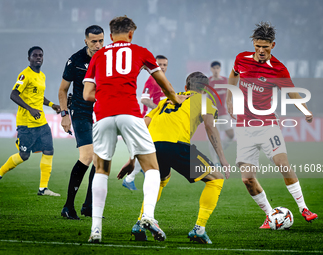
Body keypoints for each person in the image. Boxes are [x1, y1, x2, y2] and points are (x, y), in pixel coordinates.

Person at [83, 16, 185, 243]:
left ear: (110, 36)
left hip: (103, 115)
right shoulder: (140, 51)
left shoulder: (99, 55)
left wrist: (107, 93)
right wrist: (175, 99)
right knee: (152, 167)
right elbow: (163, 83)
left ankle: (96, 230)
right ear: (131, 34)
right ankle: (148, 215)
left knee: (101, 170)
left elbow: (86, 94)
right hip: (130, 113)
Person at [118, 72, 230, 244]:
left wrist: (132, 157)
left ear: (185, 88)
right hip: (176, 145)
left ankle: (140, 224)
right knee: (216, 179)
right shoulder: (204, 100)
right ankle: (199, 229)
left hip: (151, 146)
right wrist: (222, 158)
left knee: (161, 179)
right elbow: (210, 126)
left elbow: (143, 125)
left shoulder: (164, 100)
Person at [226, 22, 318, 229]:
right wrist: (229, 98)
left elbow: (292, 92)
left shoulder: (278, 69)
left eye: (265, 47)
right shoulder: (241, 58)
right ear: (253, 44)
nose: (260, 50)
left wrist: (305, 110)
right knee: (247, 179)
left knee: (282, 164)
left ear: (273, 45)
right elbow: (233, 74)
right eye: (257, 46)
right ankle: (271, 215)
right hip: (244, 127)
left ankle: (304, 208)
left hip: (267, 124)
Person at [0, 46, 61, 196]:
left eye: (40, 55)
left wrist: (52, 105)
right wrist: (30, 109)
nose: (38, 57)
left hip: (41, 122)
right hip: (26, 123)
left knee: (49, 150)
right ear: (29, 58)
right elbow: (13, 94)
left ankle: (43, 188)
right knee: (24, 156)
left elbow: (39, 98)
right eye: (35, 55)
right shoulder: (24, 75)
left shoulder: (42, 76)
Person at [58, 25, 104, 220]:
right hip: (81, 112)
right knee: (87, 156)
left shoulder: (107, 58)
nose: (98, 45)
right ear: (85, 40)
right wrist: (64, 114)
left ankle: (89, 206)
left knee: (99, 158)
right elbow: (63, 90)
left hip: (101, 112)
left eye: (101, 40)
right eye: (94, 41)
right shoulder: (75, 60)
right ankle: (68, 207)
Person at [122, 55, 168, 191]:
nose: (163, 67)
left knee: (150, 150)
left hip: (157, 121)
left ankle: (141, 171)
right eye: (160, 65)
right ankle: (130, 178)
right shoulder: (152, 80)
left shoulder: (162, 80)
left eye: (165, 65)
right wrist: (159, 109)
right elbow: (144, 100)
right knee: (148, 150)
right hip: (149, 120)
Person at [208, 61, 234, 166]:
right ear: (211, 69)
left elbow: (230, 95)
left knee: (231, 134)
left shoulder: (225, 81)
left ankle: (220, 151)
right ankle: (215, 162)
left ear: (220, 69)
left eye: (217, 68)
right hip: (212, 113)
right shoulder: (208, 82)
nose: (215, 70)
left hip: (223, 112)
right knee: (214, 137)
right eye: (214, 68)